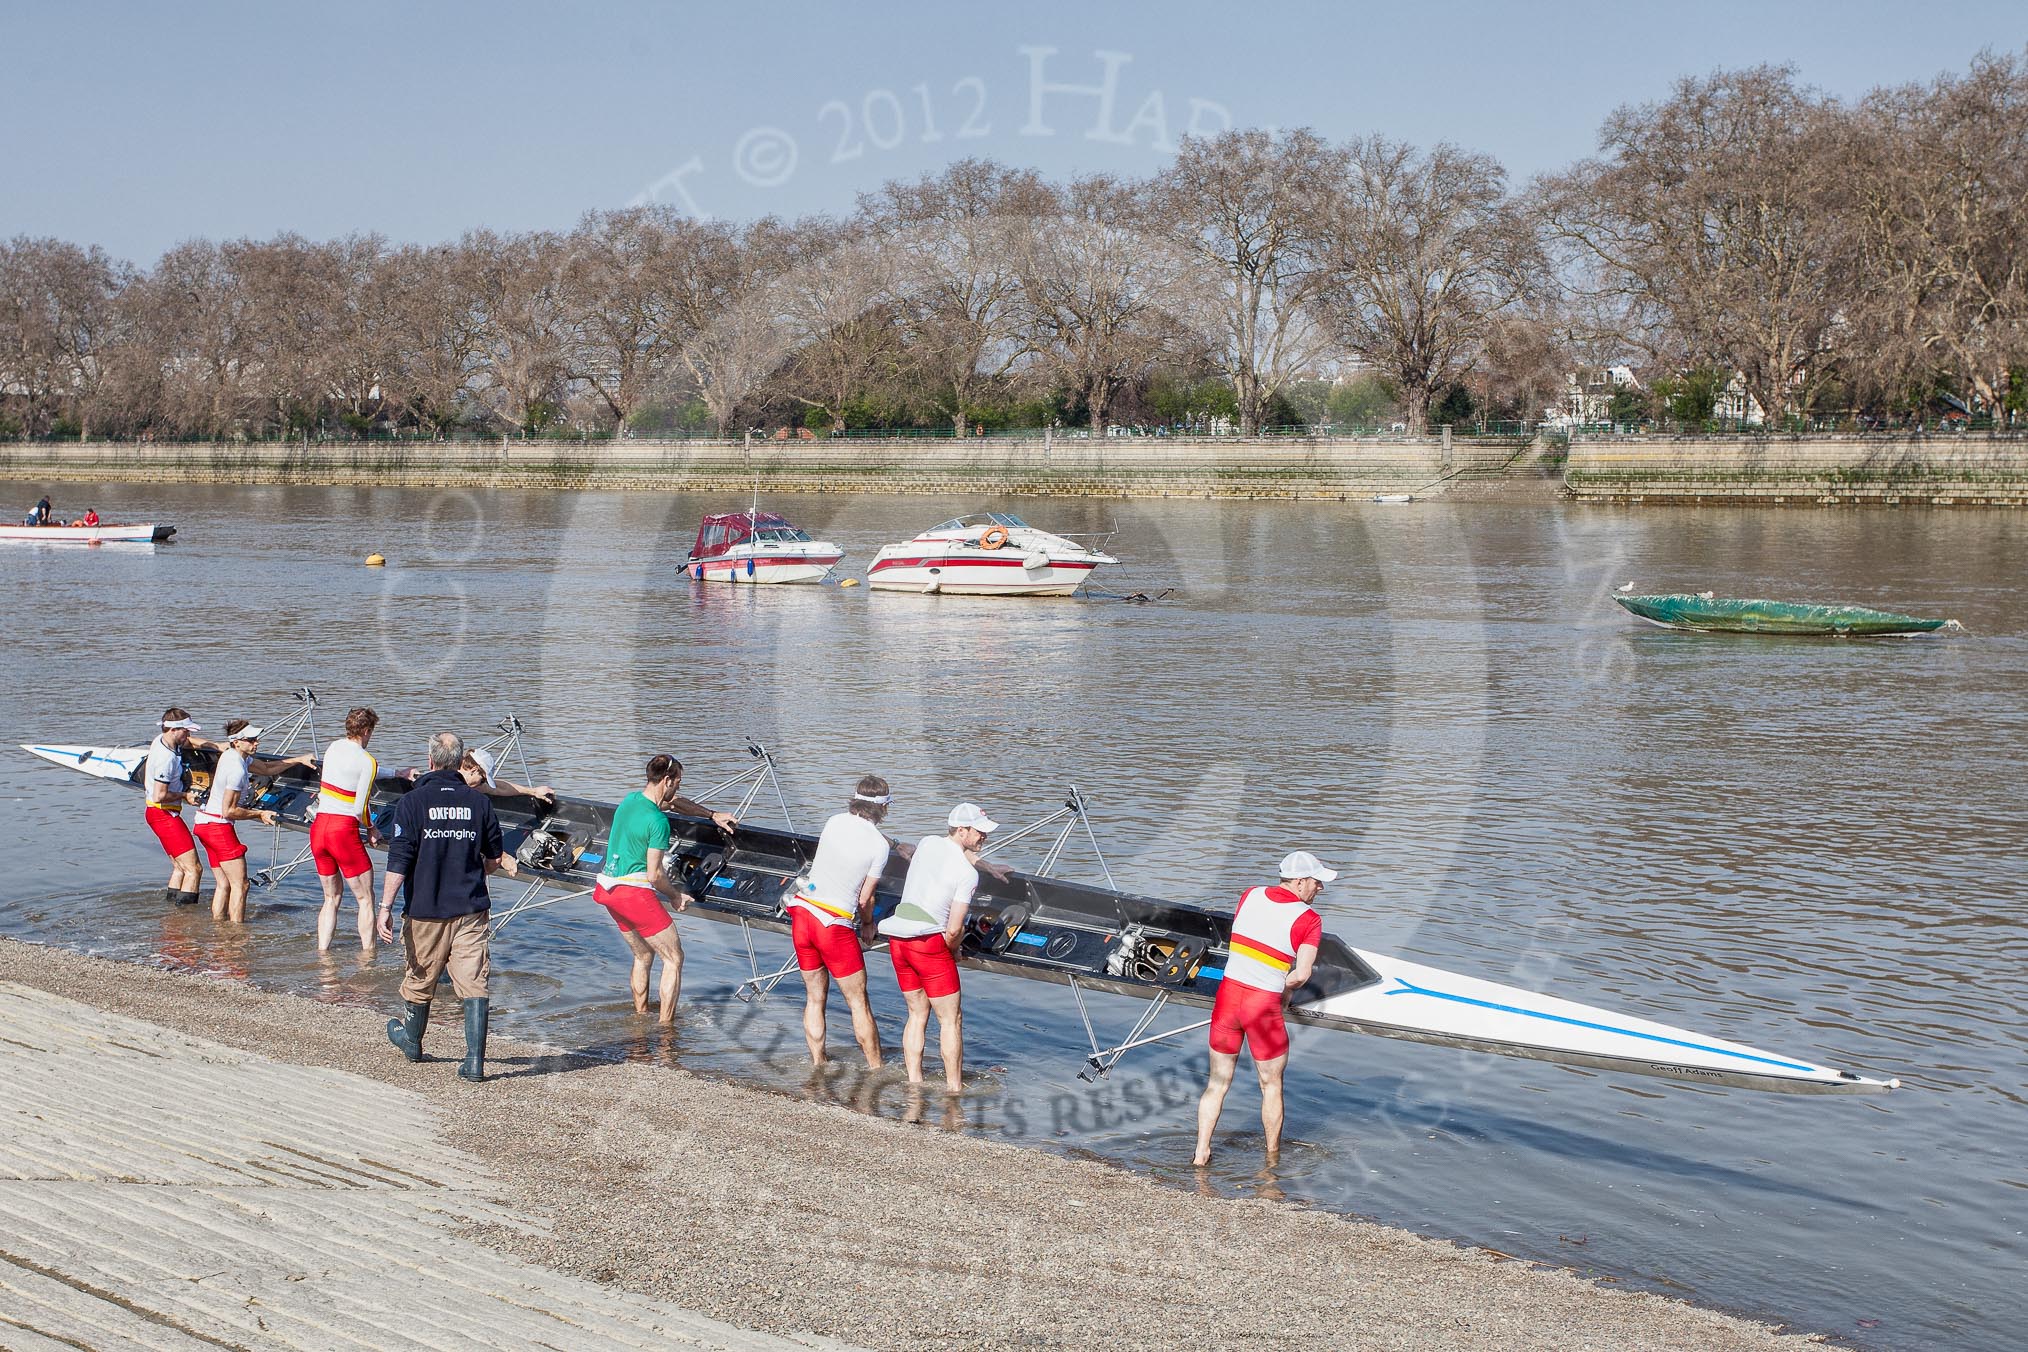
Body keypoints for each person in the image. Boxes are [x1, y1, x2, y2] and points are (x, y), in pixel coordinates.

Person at [379, 732, 518, 1081]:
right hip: (471, 908)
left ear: (429, 761)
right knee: (474, 981)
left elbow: (399, 860)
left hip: (426, 908)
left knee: (420, 977)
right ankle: (474, 1062)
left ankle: (412, 1042)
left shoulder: (412, 802)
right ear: (458, 763)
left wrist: (385, 907)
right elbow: (492, 859)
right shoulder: (480, 803)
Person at [1192, 851, 1331, 1168]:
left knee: (1217, 1084)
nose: (1320, 889)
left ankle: (1201, 1153)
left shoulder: (1249, 895)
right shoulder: (1309, 920)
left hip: (1227, 1000)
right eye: (1316, 882)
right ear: (1299, 881)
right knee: (1271, 1086)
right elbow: (1302, 973)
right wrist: (1286, 991)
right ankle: (1271, 1162)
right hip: (1261, 1007)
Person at [591, 755, 737, 1021]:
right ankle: (665, 1028)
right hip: (633, 894)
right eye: (678, 783)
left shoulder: (631, 800)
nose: (678, 789)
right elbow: (655, 874)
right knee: (673, 958)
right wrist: (675, 896)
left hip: (607, 890)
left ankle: (640, 1015)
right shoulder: (658, 822)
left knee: (644, 954)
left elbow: (673, 803)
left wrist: (712, 815)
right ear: (667, 780)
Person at [878, 802, 996, 1093]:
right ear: (961, 830)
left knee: (917, 1014)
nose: (985, 837)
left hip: (898, 939)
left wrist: (989, 864)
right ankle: (954, 1088)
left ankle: (914, 1082)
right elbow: (955, 928)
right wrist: (953, 950)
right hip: (928, 943)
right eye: (980, 832)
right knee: (950, 1020)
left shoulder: (928, 843)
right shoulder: (968, 875)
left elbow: (950, 858)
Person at [789, 775, 893, 1070]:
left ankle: (818, 1062)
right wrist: (868, 925)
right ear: (884, 808)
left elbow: (853, 836)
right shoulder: (879, 847)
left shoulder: (834, 821)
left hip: (803, 913)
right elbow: (864, 899)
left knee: (814, 997)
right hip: (833, 926)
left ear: (854, 800)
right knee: (858, 1002)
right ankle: (876, 1069)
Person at [191, 719, 314, 922]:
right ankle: (237, 932)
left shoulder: (234, 755)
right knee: (242, 885)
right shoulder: (237, 770)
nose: (256, 743)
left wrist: (299, 759)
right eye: (251, 740)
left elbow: (266, 769)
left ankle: (218, 927)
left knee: (224, 884)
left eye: (256, 739)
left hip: (203, 824)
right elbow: (229, 811)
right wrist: (260, 814)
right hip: (218, 828)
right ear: (237, 742)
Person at [312, 706, 383, 952]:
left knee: (331, 898)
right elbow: (359, 808)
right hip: (343, 832)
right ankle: (368, 956)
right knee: (365, 899)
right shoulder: (368, 761)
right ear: (366, 731)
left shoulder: (334, 747)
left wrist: (396, 773)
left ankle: (322, 952)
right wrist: (372, 828)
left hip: (319, 828)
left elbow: (349, 773)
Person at [143, 709, 217, 905]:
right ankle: (186, 917)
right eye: (186, 731)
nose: (189, 735)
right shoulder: (165, 759)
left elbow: (191, 742)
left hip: (155, 813)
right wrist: (185, 795)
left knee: (179, 867)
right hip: (164, 815)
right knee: (194, 869)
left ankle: (172, 911)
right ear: (174, 729)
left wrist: (215, 746)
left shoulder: (161, 738)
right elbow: (160, 794)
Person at [460, 747, 555, 804]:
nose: (482, 784)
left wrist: (533, 791)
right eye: (483, 780)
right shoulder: (446, 773)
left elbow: (497, 788)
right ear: (474, 770)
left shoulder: (472, 785)